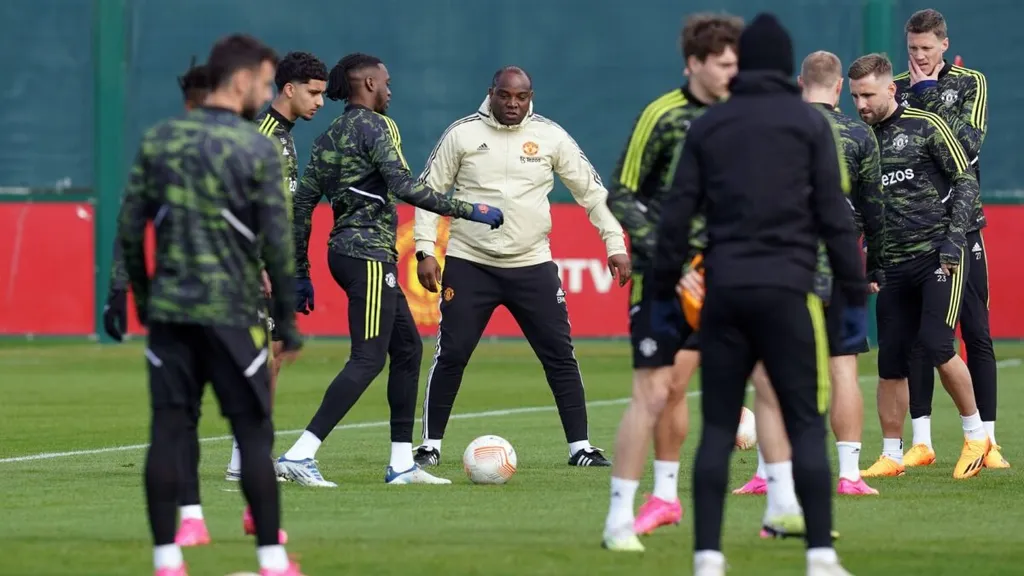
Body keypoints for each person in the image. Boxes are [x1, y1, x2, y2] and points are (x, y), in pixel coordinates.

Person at [650, 14, 865, 576]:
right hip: (788, 293)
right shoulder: (810, 125)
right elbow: (835, 218)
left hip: (724, 296)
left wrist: (661, 293)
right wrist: (852, 295)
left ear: (744, 62)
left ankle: (707, 558)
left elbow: (675, 219)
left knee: (718, 428)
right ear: (788, 67)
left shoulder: (711, 125)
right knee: (805, 425)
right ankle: (819, 554)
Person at [117, 34, 305, 576]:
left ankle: (167, 559)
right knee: (251, 429)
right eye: (266, 82)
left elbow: (131, 230)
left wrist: (145, 300)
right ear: (242, 80)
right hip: (233, 314)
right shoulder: (255, 147)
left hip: (172, 316)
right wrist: (287, 322)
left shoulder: (160, 138)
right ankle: (271, 557)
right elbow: (276, 240)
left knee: (169, 430)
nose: (266, 92)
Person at [275, 53, 505, 488]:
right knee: (367, 358)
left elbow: (303, 204)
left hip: (344, 254)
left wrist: (301, 269)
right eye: (386, 81)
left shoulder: (327, 136)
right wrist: (468, 209)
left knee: (408, 350)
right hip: (367, 256)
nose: (390, 89)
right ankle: (299, 454)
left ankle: (401, 463)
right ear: (367, 83)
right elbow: (404, 186)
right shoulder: (379, 126)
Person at [411, 65, 628, 470]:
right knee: (452, 352)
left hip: (532, 264)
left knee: (560, 355)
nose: (513, 104)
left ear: (531, 97)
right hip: (470, 261)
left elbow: (593, 193)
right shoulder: (462, 134)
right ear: (491, 93)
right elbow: (429, 192)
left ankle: (580, 447)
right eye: (505, 96)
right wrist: (424, 250)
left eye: (521, 97)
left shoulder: (550, 136)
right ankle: (429, 445)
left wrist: (614, 243)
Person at [599, 12, 742, 550]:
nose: (733, 72)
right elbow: (622, 194)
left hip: (730, 278)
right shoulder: (662, 115)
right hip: (664, 281)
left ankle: (788, 509)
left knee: (771, 385)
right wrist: (677, 262)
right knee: (655, 392)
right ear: (695, 63)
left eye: (737, 63)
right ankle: (621, 516)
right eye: (724, 64)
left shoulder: (743, 116)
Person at [729, 50, 884, 540]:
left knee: (770, 372)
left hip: (781, 266)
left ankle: (763, 474)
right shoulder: (860, 134)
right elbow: (874, 208)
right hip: (839, 269)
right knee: (843, 367)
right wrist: (873, 266)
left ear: (800, 83)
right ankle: (851, 474)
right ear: (839, 87)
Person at [848, 53, 990, 480]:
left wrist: (953, 239)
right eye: (854, 96)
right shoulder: (860, 140)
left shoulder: (927, 126)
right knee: (891, 359)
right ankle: (893, 453)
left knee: (936, 343)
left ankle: (976, 434)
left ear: (892, 89)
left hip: (938, 256)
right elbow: (861, 208)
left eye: (868, 94)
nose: (861, 104)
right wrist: (862, 258)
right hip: (892, 263)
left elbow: (965, 181)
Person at [892, 8, 1005, 469]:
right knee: (922, 337)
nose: (918, 57)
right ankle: (921, 441)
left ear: (944, 44)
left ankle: (989, 443)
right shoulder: (895, 86)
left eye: (925, 48)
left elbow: (969, 147)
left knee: (976, 331)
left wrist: (929, 94)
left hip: (963, 224)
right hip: (912, 229)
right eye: (912, 49)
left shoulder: (970, 81)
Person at [225, 51, 328, 484]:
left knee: (273, 356)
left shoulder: (284, 136)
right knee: (261, 358)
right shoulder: (263, 135)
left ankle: (245, 456)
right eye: (314, 92)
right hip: (254, 266)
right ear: (288, 89)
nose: (320, 102)